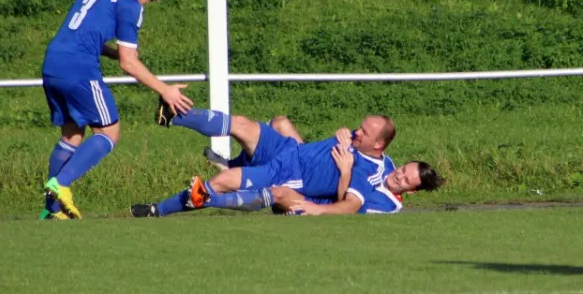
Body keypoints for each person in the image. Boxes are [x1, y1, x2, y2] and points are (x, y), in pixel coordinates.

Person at [40, 0, 194, 220]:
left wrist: (110, 53)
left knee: (71, 136)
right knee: (109, 132)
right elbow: (129, 63)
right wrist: (165, 90)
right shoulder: (130, 4)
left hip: (53, 63)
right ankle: (61, 184)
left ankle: (52, 211)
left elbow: (84, 34)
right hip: (80, 69)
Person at [130, 105, 416, 217]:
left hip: (290, 173)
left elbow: (351, 204)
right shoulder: (370, 151)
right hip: (288, 150)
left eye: (364, 132)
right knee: (242, 124)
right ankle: (172, 115)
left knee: (221, 183)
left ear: (378, 143)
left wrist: (340, 176)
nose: (357, 131)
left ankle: (157, 210)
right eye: (360, 126)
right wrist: (343, 137)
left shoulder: (369, 171)